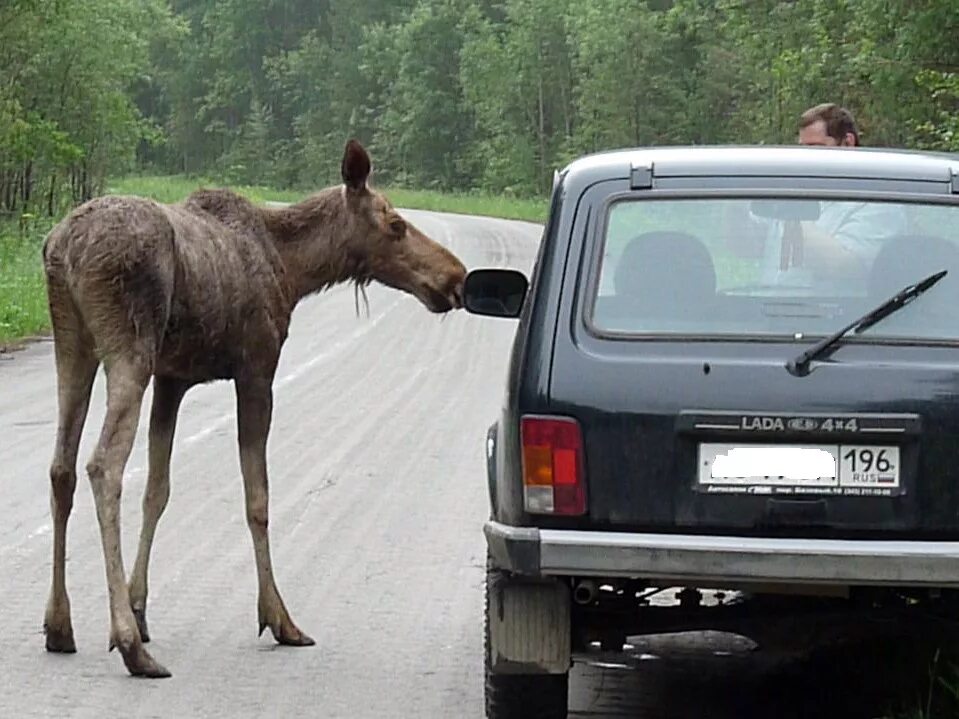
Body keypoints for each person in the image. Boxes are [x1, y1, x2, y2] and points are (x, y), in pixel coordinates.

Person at [729, 103, 907, 291]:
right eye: (802, 149)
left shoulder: (879, 202)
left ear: (847, 143)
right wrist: (736, 200)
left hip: (835, 316)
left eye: (816, 148)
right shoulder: (794, 192)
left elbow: (844, 268)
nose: (806, 157)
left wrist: (794, 217)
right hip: (770, 313)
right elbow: (744, 247)